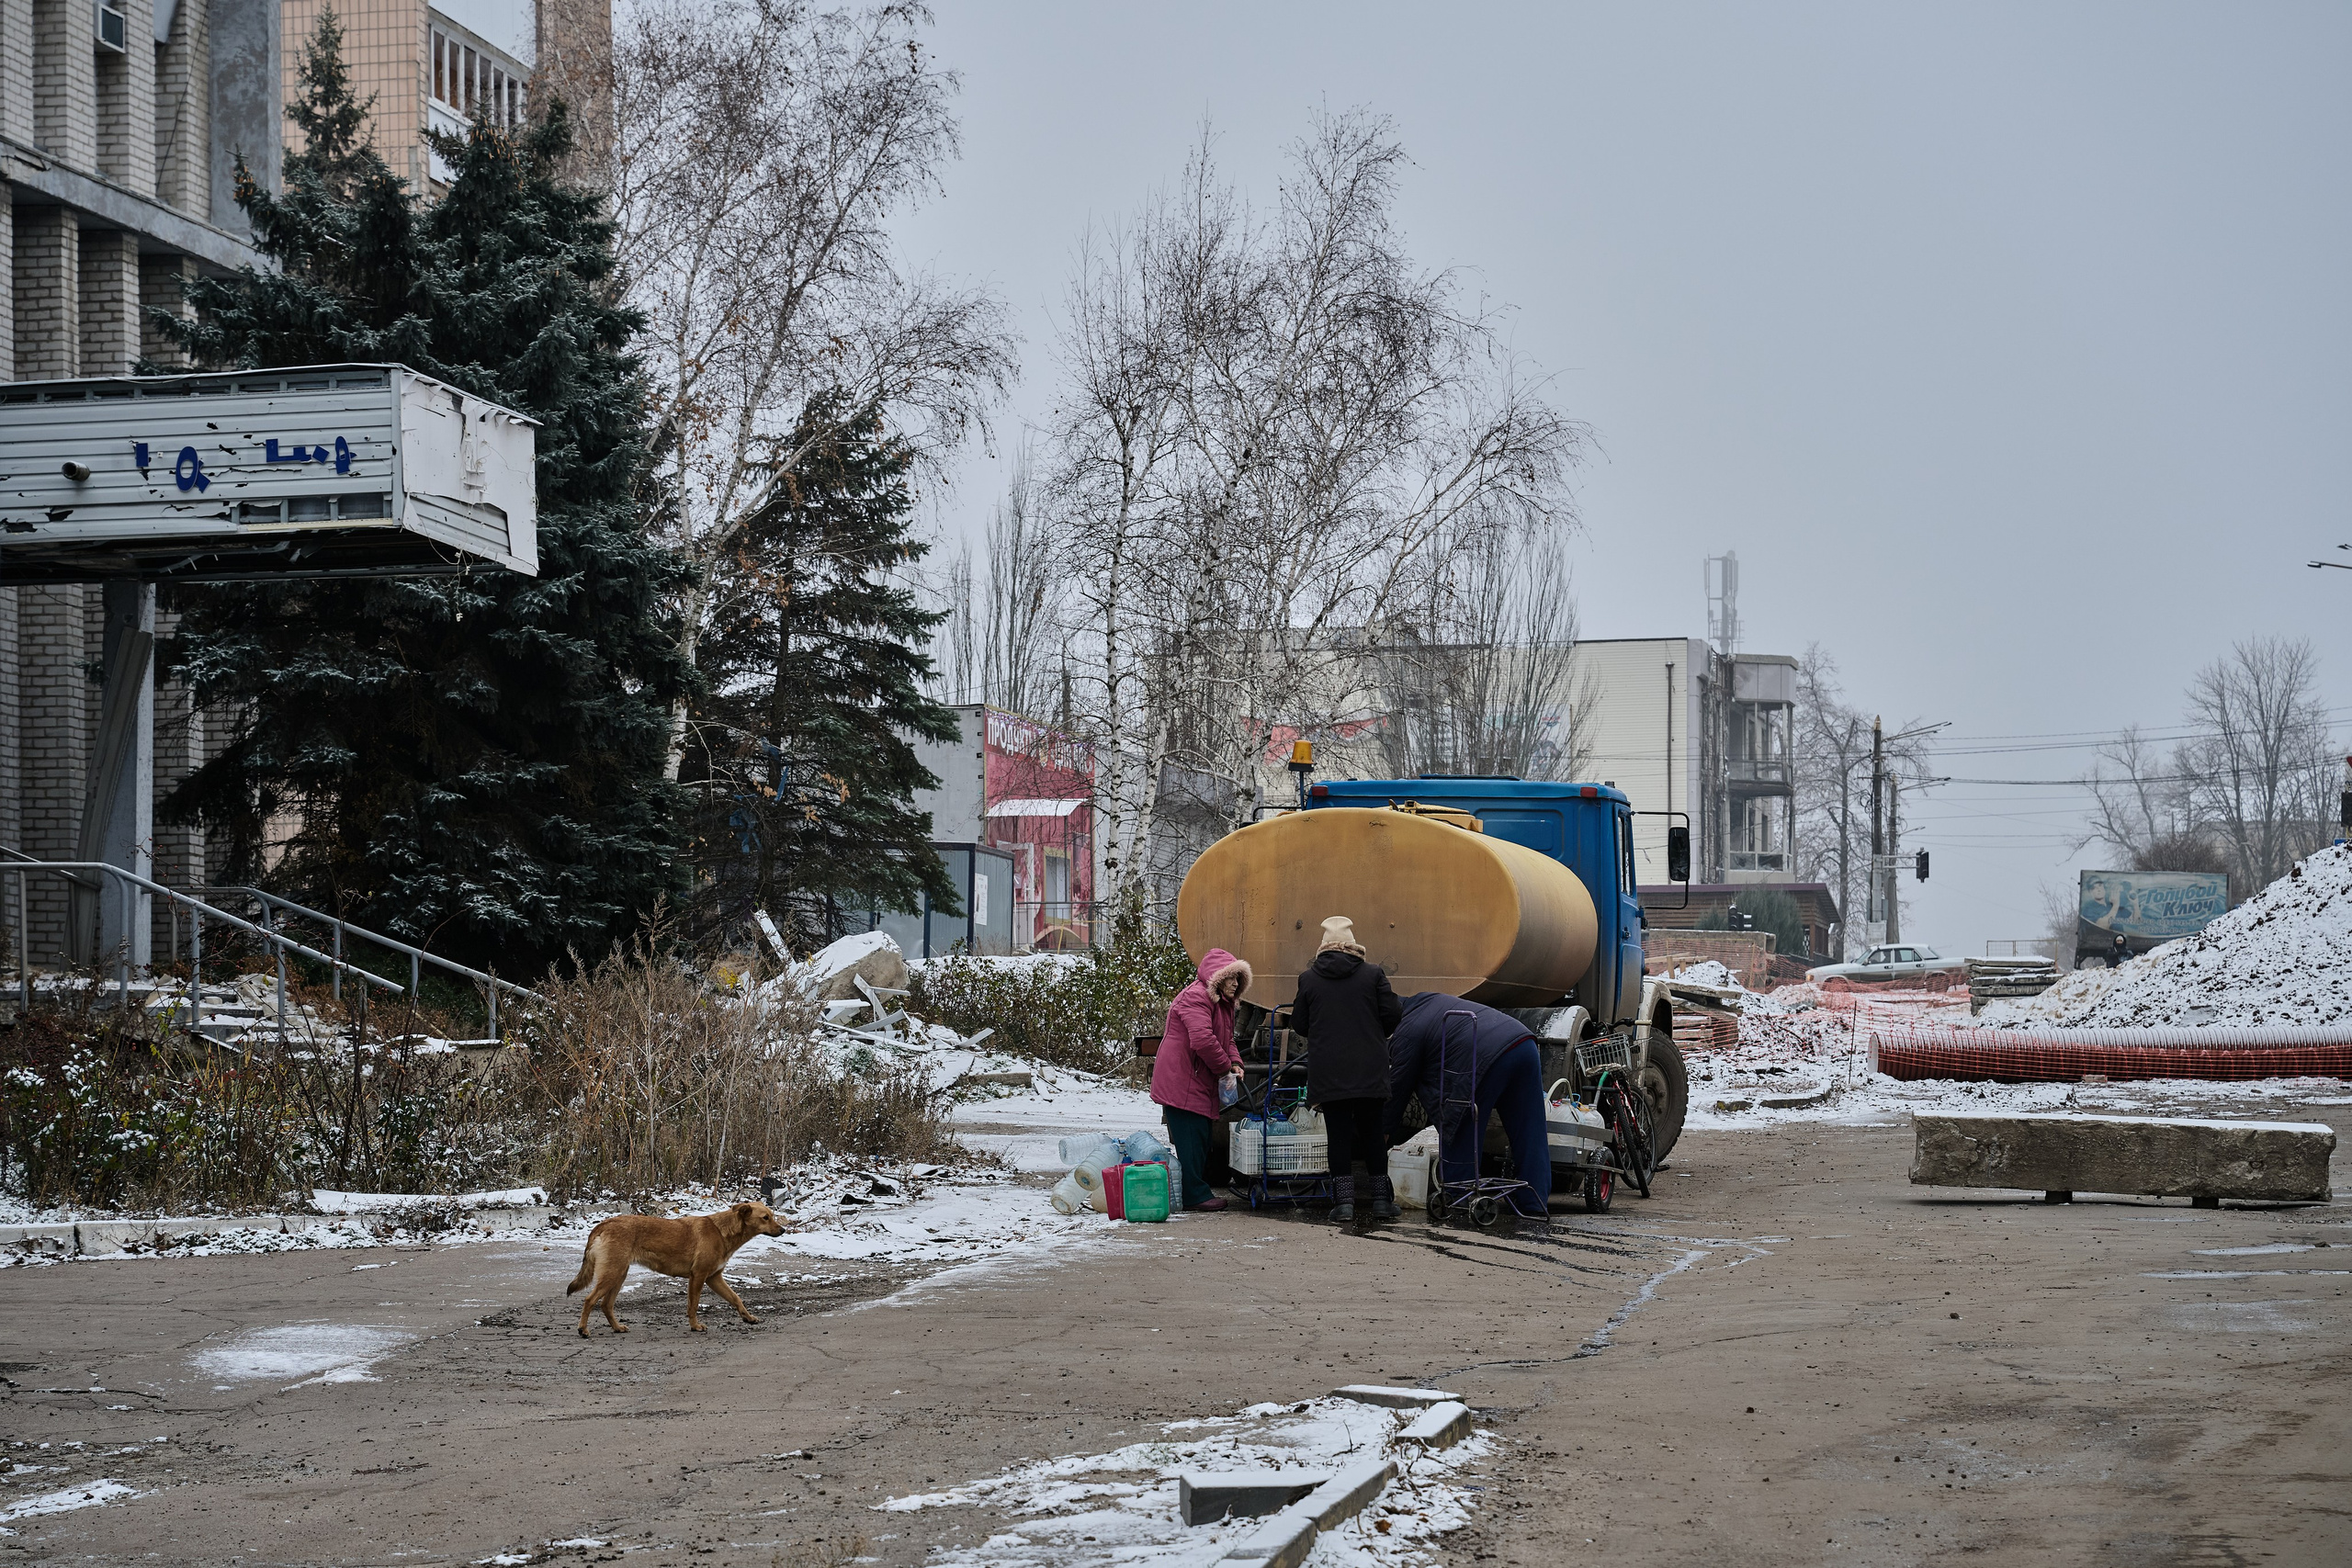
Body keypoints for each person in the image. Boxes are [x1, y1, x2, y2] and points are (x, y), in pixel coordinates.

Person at [1385, 992, 1552, 1217]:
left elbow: (1399, 1088)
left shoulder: (1406, 1028)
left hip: (1489, 1054)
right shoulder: (1425, 1001)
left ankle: (1458, 1198)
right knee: (1530, 1130)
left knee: (1460, 1121)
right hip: (1523, 1043)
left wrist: (1383, 1131)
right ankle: (1534, 1203)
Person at [1290, 915, 1403, 1223]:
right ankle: (1381, 1201)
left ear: (1324, 947)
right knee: (1372, 1132)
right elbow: (1393, 1014)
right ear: (1353, 945)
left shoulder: (1309, 978)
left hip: (1329, 1071)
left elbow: (1299, 1024)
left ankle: (1343, 1205)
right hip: (1369, 1068)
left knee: (1338, 1136)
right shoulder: (1372, 974)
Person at [1152, 946, 1251, 1213]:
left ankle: (1195, 1191)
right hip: (1183, 1077)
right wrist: (1223, 1069)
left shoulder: (1223, 1004)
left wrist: (1236, 1062)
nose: (1235, 983)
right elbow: (1203, 1040)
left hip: (1195, 1076)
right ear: (1218, 978)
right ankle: (1194, 1195)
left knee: (1201, 1136)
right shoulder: (1196, 997)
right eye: (1231, 977)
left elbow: (1226, 1039)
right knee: (1192, 1138)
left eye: (1238, 978)